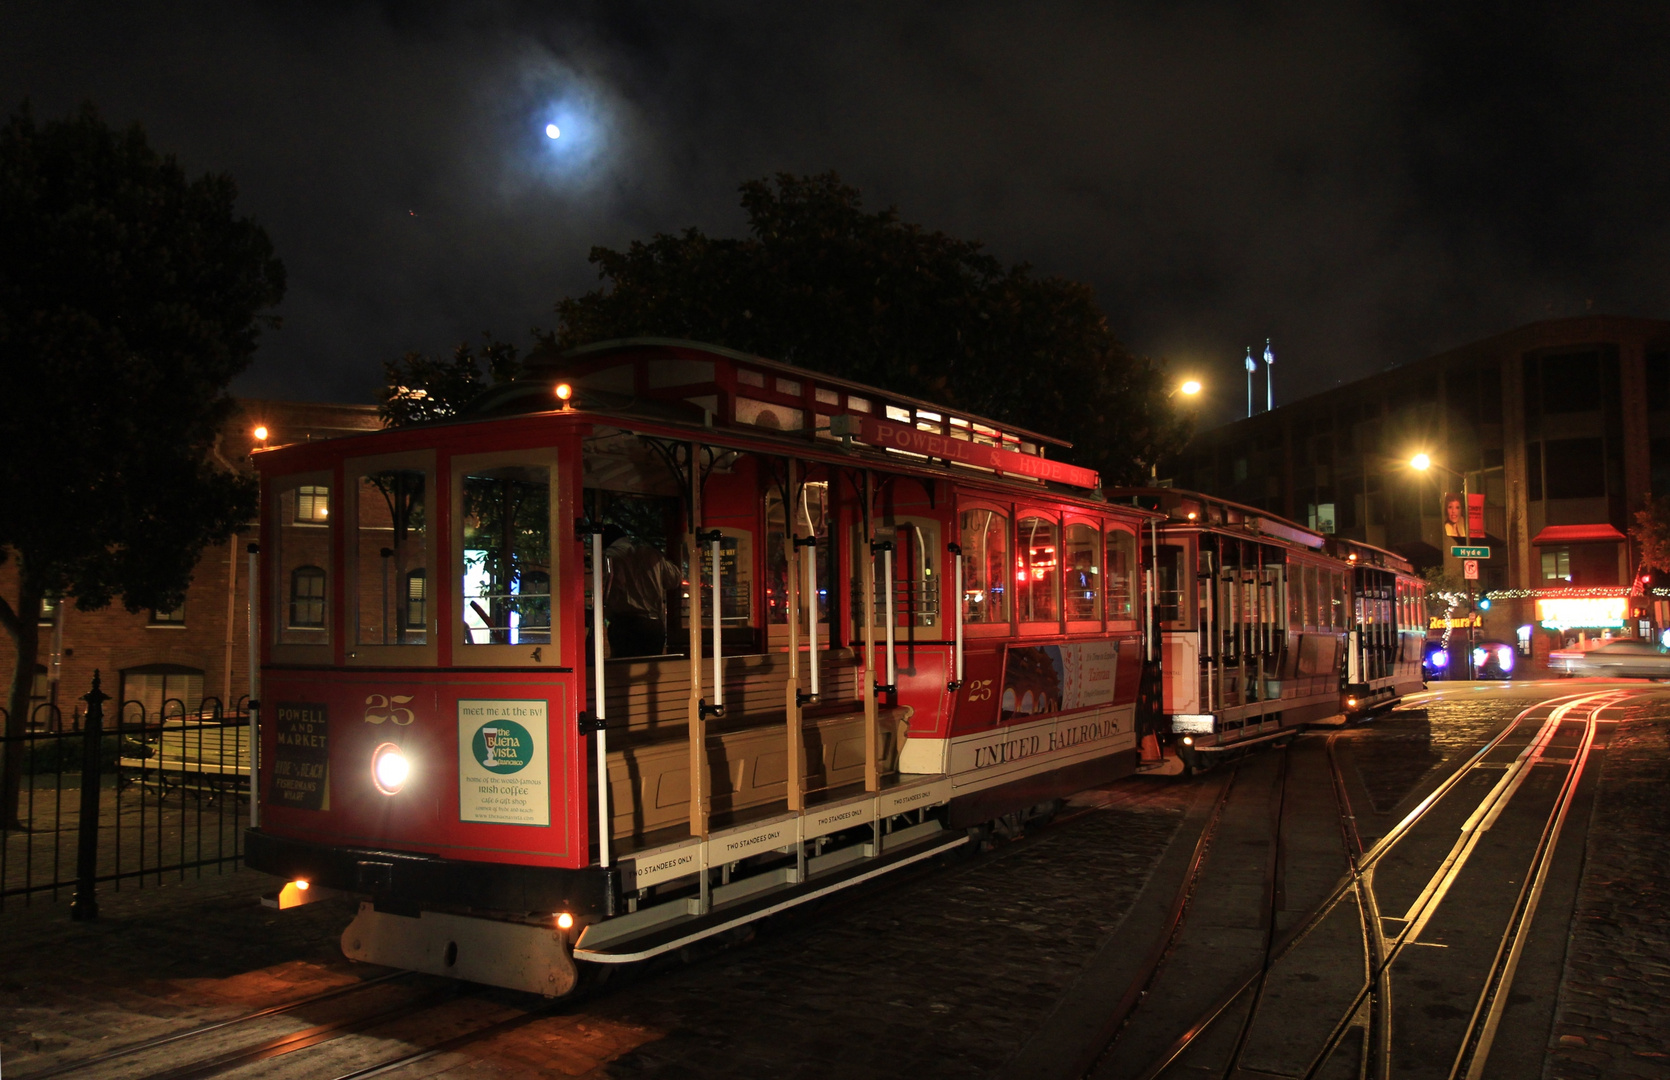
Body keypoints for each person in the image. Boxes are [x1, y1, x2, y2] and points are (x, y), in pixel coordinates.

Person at [601, 523, 683, 657]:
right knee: (651, 669)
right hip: (653, 624)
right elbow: (674, 579)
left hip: (623, 625)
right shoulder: (651, 554)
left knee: (624, 671)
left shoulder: (607, 557)